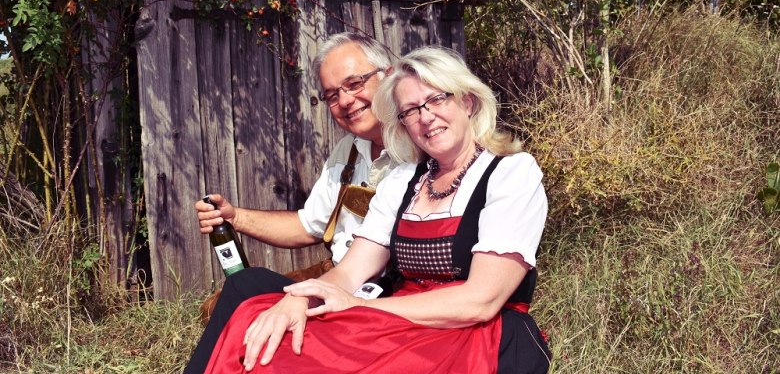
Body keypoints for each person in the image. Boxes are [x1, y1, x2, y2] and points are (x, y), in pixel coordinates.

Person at [198, 46, 552, 373]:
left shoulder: (510, 173)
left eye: (437, 100)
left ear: (469, 102)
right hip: (397, 318)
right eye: (411, 111)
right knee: (259, 309)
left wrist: (358, 308)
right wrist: (299, 298)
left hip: (474, 331)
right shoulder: (404, 179)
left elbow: (481, 301)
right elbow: (350, 271)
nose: (426, 118)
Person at [183, 32, 396, 373]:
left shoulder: (418, 147)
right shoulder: (350, 152)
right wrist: (234, 216)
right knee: (244, 283)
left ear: (389, 75)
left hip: (384, 288)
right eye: (331, 95)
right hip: (338, 276)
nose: (346, 101)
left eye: (355, 83)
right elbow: (306, 225)